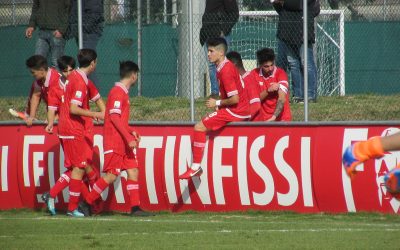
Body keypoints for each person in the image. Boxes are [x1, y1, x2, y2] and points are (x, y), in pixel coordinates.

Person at [80, 61, 152, 216]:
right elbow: (113, 117)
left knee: (133, 170)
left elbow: (119, 119)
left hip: (122, 140)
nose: (136, 78)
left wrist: (131, 131)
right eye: (137, 75)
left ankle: (135, 208)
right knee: (112, 175)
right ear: (133, 76)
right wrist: (128, 137)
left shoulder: (122, 92)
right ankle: (86, 202)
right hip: (115, 141)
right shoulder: (117, 92)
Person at [179, 37, 250, 179]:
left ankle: (195, 167)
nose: (208, 54)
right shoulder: (222, 67)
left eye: (211, 51)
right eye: (208, 51)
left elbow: (235, 99)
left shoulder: (226, 70)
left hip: (238, 111)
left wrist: (217, 103)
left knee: (199, 127)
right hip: (238, 109)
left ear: (221, 53)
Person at [41, 55, 104, 216]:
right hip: (74, 130)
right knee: (80, 167)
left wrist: (103, 114)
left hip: (80, 130)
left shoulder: (81, 80)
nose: (68, 72)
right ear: (60, 72)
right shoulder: (64, 85)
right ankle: (81, 205)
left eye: (70, 68)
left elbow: (97, 99)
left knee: (78, 167)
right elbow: (56, 108)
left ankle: (61, 197)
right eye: (65, 70)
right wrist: (50, 122)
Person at [272, 0, 320, 103]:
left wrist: (284, 2)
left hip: (303, 27)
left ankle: (310, 95)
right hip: (287, 29)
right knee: (293, 63)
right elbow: (279, 9)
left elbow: (300, 5)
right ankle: (298, 95)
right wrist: (277, 3)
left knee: (306, 62)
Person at [200, 0, 239, 98]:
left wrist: (223, 30)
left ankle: (227, 91)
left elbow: (234, 13)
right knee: (211, 64)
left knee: (224, 63)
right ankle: (215, 92)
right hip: (208, 33)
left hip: (220, 34)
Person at [13, 55, 60, 126]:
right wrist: (31, 117)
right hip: (54, 114)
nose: (32, 75)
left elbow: (67, 105)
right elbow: (36, 95)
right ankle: (27, 114)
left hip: (67, 117)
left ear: (41, 70)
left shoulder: (56, 80)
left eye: (33, 72)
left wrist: (54, 119)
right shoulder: (39, 80)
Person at [68, 0, 104, 85]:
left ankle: (94, 93)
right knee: (85, 62)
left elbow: (95, 12)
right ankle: (86, 90)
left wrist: (84, 28)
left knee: (88, 62)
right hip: (80, 31)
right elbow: (73, 11)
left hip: (89, 32)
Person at [25, 0, 71, 67]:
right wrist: (31, 25)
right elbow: (35, 8)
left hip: (56, 32)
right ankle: (44, 77)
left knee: (56, 63)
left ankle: (57, 77)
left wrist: (62, 29)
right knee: (38, 62)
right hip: (42, 31)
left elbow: (69, 11)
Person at [250, 48, 291, 122]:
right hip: (262, 119)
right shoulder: (253, 74)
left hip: (281, 119)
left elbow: (282, 98)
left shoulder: (281, 73)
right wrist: (268, 91)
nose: (270, 68)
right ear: (260, 65)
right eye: (266, 66)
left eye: (272, 65)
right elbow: (254, 100)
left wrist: (274, 117)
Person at [226, 51, 261, 120]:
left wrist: (243, 122)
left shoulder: (249, 79)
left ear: (233, 64)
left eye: (226, 66)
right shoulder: (235, 80)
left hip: (250, 125)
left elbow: (256, 106)